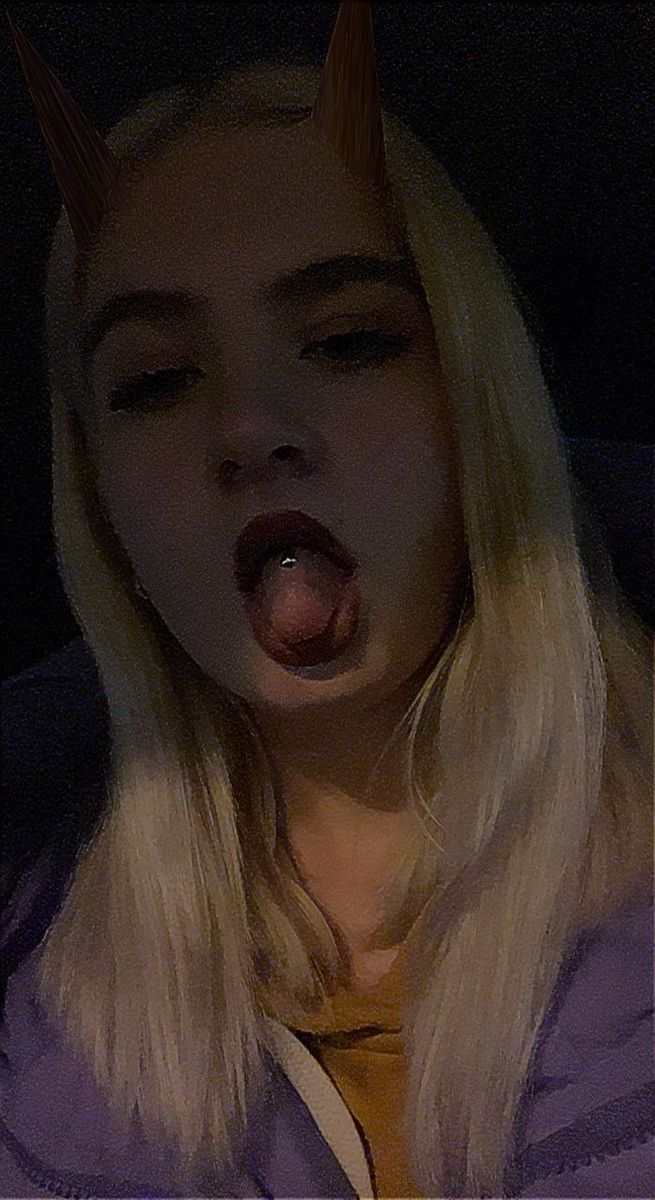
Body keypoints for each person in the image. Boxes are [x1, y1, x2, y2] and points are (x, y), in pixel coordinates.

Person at [2, 4, 652, 1197]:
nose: (252, 428)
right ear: (100, 507)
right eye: (157, 380)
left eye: (350, 341)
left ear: (474, 408)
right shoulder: (41, 1043)